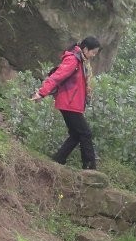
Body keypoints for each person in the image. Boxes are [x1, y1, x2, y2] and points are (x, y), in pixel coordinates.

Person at [31, 37, 101, 170]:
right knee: (85, 133)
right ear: (85, 49)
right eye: (93, 52)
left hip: (72, 103)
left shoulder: (81, 61)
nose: (93, 55)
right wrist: (41, 92)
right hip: (69, 103)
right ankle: (89, 167)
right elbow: (56, 77)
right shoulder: (73, 60)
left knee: (76, 134)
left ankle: (58, 159)